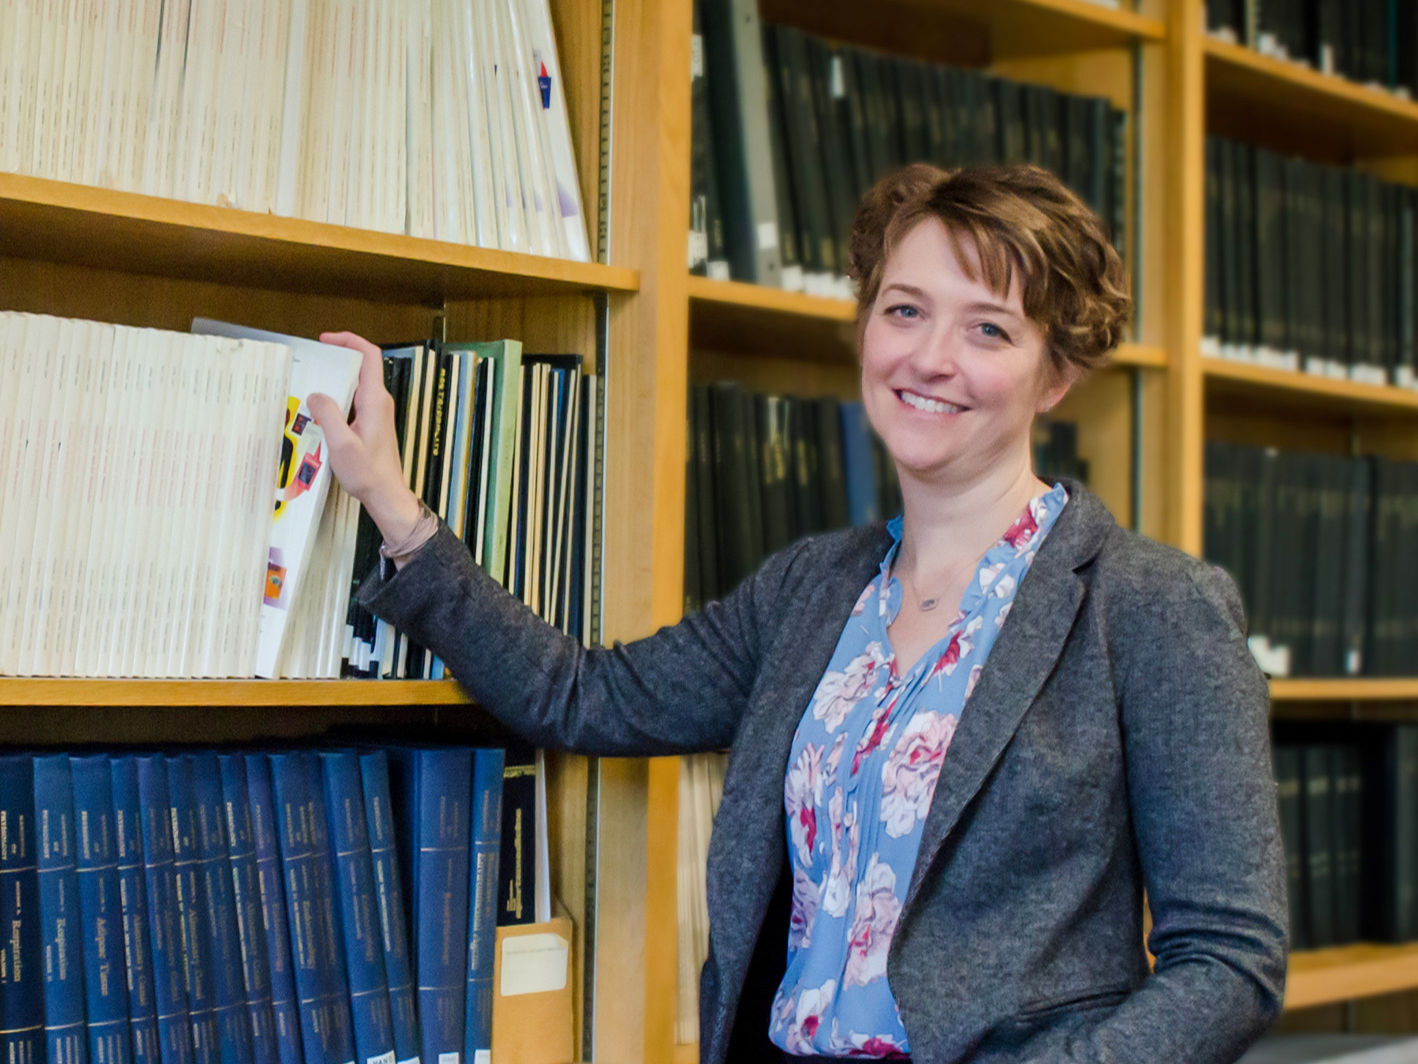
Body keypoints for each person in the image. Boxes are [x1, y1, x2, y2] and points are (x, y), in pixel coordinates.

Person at [309, 163, 1286, 1064]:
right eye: (903, 310)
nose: (931, 357)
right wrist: (395, 508)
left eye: (987, 328)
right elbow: (584, 696)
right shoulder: (814, 588)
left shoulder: (1150, 606)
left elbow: (1227, 959)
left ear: (1055, 368)